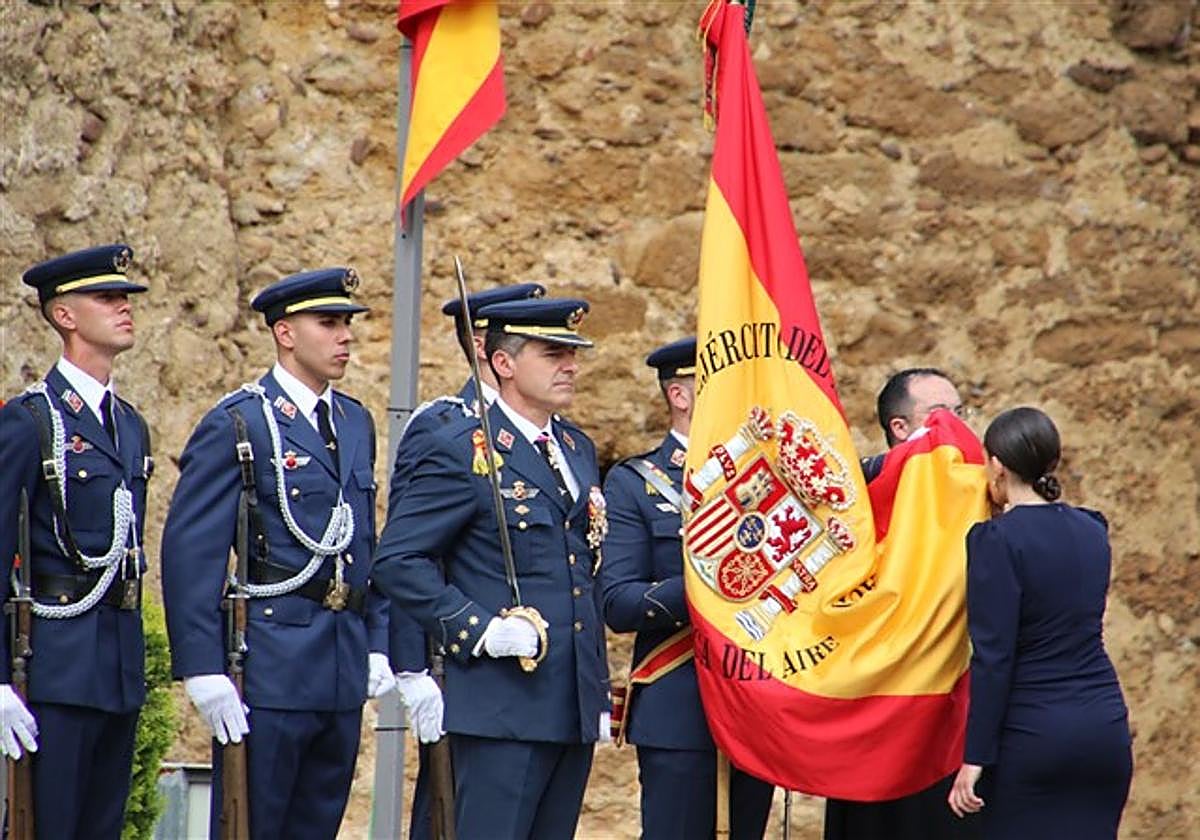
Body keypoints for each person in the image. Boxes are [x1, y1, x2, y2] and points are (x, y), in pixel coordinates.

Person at [161, 267, 393, 838]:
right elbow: (193, 550)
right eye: (328, 323)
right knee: (254, 824)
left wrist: (379, 641)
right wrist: (202, 667)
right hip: (271, 662)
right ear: (285, 333)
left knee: (317, 825)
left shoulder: (354, 420)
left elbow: (365, 544)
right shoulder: (241, 421)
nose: (345, 337)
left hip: (339, 665)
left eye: (347, 324)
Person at [372, 297, 609, 840]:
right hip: (499, 707)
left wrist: (591, 684)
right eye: (553, 353)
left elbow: (581, 568)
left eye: (572, 353)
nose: (569, 365)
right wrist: (480, 630)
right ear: (503, 363)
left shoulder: (575, 447)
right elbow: (400, 560)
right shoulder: (460, 446)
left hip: (566, 705)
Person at [0, 244, 153, 838]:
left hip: (115, 667)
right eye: (107, 298)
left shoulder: (129, 423)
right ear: (64, 315)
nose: (124, 308)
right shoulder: (31, 420)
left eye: (125, 298)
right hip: (57, 670)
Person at [386, 282, 545, 840]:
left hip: (526, 671)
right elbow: (408, 554)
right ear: (487, 346)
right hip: (464, 662)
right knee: (450, 819)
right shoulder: (442, 426)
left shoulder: (548, 438)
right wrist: (412, 666)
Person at [602, 337, 775, 839]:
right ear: (681, 395)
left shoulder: (763, 478)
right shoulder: (637, 484)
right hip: (679, 704)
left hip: (755, 699)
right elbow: (619, 602)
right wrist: (708, 583)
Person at [948, 407, 1132, 836]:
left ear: (996, 465)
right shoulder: (1093, 528)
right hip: (1104, 727)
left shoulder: (996, 540)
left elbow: (994, 658)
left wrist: (975, 757)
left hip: (1034, 733)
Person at [824, 367, 980, 840]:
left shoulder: (974, 492)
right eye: (942, 415)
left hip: (943, 715)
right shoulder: (856, 494)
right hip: (873, 714)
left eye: (961, 413)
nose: (956, 426)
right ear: (900, 428)